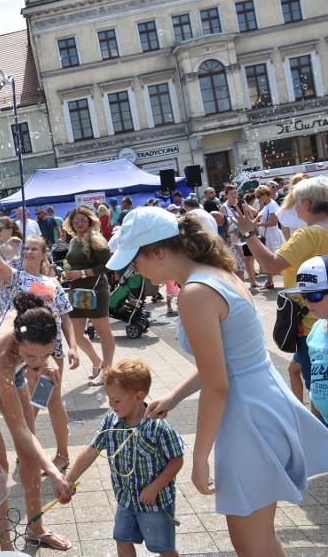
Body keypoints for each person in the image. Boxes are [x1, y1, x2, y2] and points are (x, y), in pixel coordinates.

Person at [110, 206, 328, 557]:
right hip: (266, 403)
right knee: (262, 538)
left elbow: (218, 383)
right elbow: (229, 360)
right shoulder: (218, 272)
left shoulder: (194, 293)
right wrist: (176, 396)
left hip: (247, 418)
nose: (134, 269)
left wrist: (199, 457)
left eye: (134, 260)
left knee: (250, 544)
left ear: (158, 252)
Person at [0, 291, 72, 551]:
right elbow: (18, 428)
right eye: (31, 357)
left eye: (46, 354)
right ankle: (6, 548)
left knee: (29, 455)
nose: (38, 363)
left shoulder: (36, 322)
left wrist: (43, 362)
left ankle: (36, 528)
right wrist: (53, 472)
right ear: (19, 341)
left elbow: (38, 351)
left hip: (11, 371)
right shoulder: (1, 349)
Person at [0, 218, 79, 473]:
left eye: (35, 249)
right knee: (29, 404)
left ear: (44, 256)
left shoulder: (53, 284)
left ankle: (62, 454)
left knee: (51, 400)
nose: (28, 252)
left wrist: (73, 347)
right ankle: (29, 450)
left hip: (50, 351)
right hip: (20, 351)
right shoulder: (16, 277)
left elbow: (66, 317)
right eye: (26, 248)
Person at [65, 359, 184, 557]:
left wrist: (154, 487)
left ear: (139, 397)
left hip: (154, 503)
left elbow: (177, 461)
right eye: (109, 398)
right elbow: (92, 450)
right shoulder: (112, 421)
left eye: (116, 400)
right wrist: (68, 479)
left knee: (163, 548)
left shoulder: (158, 427)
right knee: (122, 538)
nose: (111, 404)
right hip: (125, 499)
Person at [231, 176, 328, 417]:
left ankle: (316, 434)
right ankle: (300, 415)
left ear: (306, 204)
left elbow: (270, 265)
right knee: (295, 368)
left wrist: (249, 233)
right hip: (320, 317)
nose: (293, 207)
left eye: (295, 201)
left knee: (318, 392)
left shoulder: (309, 234)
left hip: (312, 324)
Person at [63, 206, 115, 386]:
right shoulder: (74, 240)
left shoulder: (95, 239)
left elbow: (108, 265)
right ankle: (96, 361)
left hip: (96, 290)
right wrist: (67, 273)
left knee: (103, 331)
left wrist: (83, 273)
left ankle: (107, 371)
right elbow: (73, 263)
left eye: (82, 220)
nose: (78, 224)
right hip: (77, 292)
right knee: (76, 336)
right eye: (75, 221)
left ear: (90, 221)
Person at [288, 255, 328, 425]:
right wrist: (316, 426)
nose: (306, 303)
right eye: (303, 296)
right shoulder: (316, 330)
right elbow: (316, 389)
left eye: (315, 296)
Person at [255, 184, 286, 289]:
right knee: (268, 258)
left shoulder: (272, 205)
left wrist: (258, 224)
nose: (258, 199)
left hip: (272, 235)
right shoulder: (267, 205)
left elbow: (273, 222)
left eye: (259, 196)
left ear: (265, 195)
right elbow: (258, 216)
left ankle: (274, 281)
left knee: (274, 258)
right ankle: (269, 281)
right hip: (267, 234)